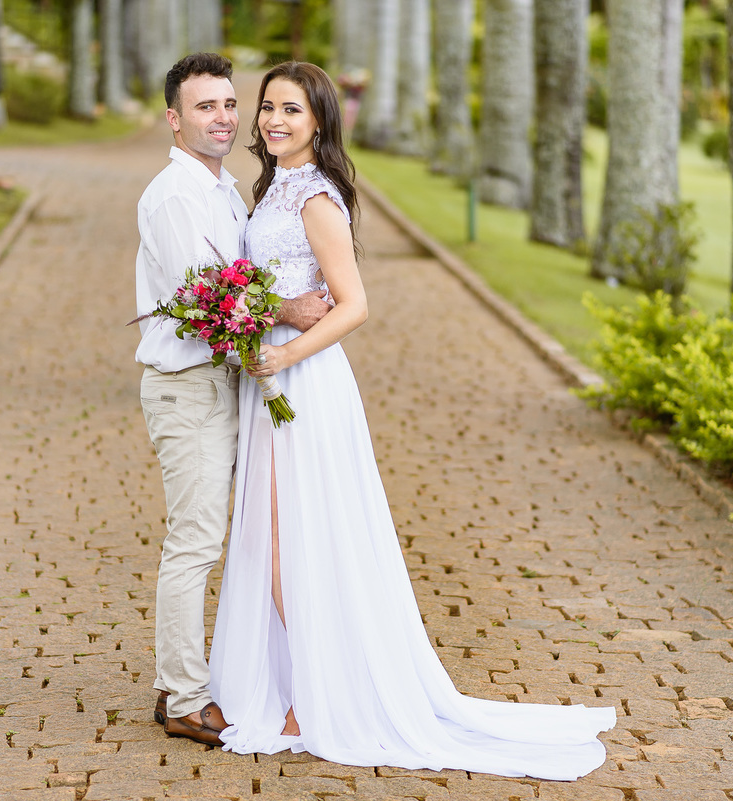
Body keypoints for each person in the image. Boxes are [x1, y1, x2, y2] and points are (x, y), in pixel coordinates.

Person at [207, 62, 617, 779]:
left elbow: (355, 304)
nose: (274, 120)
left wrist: (284, 353)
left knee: (285, 534)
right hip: (272, 376)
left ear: (320, 123)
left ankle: (314, 689)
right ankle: (305, 680)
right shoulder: (272, 188)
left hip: (303, 383)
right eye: (268, 107)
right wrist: (260, 320)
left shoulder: (316, 199)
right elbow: (274, 287)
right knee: (275, 533)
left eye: (292, 111)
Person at [134, 54, 330, 747]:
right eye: (203, 107)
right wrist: (291, 309)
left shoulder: (224, 187)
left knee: (235, 534)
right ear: (173, 119)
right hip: (188, 385)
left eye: (226, 104)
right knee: (196, 541)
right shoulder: (176, 195)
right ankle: (185, 696)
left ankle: (183, 677)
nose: (221, 118)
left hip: (232, 384)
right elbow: (207, 301)